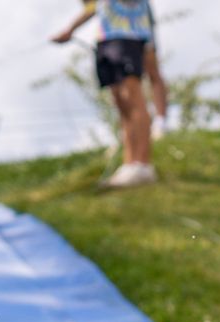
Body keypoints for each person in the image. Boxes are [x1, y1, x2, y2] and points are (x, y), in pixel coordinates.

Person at [51, 1, 157, 188]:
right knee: (121, 104)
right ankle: (129, 164)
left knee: (133, 100)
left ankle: (143, 165)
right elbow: (92, 7)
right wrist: (70, 30)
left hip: (130, 34)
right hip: (106, 36)